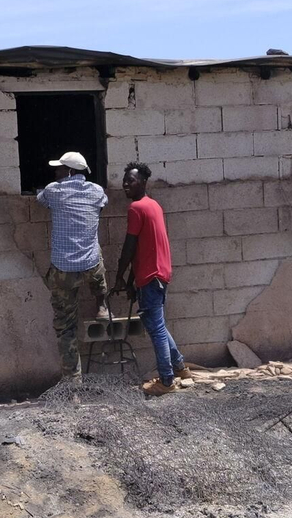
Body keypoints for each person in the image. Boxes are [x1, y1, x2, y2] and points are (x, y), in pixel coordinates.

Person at [114, 162, 192, 396]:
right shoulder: (153, 205)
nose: (126, 184)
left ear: (144, 182)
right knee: (157, 325)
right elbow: (142, 249)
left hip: (151, 276)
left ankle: (166, 381)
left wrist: (119, 277)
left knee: (156, 328)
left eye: (132, 180)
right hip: (158, 274)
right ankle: (180, 368)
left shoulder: (136, 208)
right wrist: (129, 282)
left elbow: (129, 248)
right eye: (125, 180)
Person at [35, 150, 110, 379]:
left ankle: (73, 384)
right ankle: (101, 303)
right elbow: (103, 203)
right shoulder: (97, 191)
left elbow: (41, 199)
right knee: (96, 252)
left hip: (63, 269)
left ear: (69, 171)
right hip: (90, 267)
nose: (56, 173)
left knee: (66, 327)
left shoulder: (53, 191)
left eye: (59, 169)